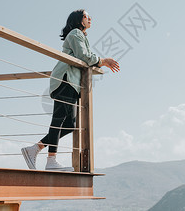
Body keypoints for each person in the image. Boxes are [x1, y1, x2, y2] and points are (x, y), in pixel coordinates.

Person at [21, 9, 120, 171]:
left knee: (69, 124)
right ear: (80, 20)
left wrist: (99, 62)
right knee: (59, 120)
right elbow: (84, 56)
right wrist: (103, 61)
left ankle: (36, 149)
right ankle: (50, 160)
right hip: (65, 80)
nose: (90, 19)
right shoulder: (75, 33)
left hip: (71, 83)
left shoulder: (79, 36)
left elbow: (85, 56)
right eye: (87, 16)